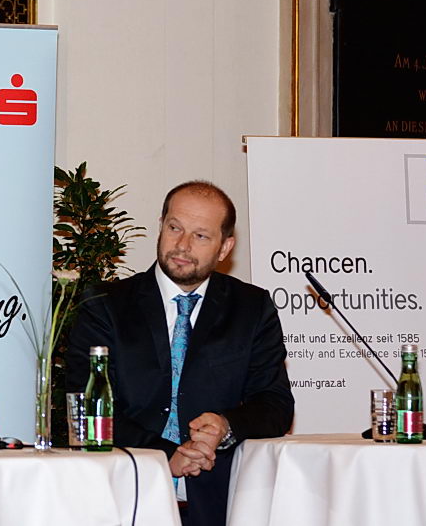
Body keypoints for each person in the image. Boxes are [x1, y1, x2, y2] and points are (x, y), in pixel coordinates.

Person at [66, 180, 294, 526]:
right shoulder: (105, 305)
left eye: (200, 236)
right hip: (122, 498)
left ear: (224, 247)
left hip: (218, 504)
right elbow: (87, 405)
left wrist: (226, 425)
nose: (182, 245)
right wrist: (164, 454)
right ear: (161, 226)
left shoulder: (252, 308)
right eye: (175, 228)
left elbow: (274, 404)